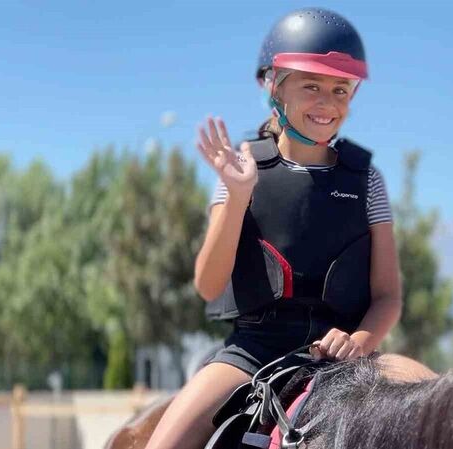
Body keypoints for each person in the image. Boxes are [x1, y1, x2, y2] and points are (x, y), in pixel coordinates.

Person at [144, 8, 410, 449]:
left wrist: (359, 341)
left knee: (441, 402)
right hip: (253, 351)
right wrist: (236, 194)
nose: (328, 102)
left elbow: (388, 296)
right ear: (273, 86)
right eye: (311, 85)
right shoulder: (239, 167)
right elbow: (209, 284)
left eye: (340, 89)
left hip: (349, 354)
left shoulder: (369, 181)